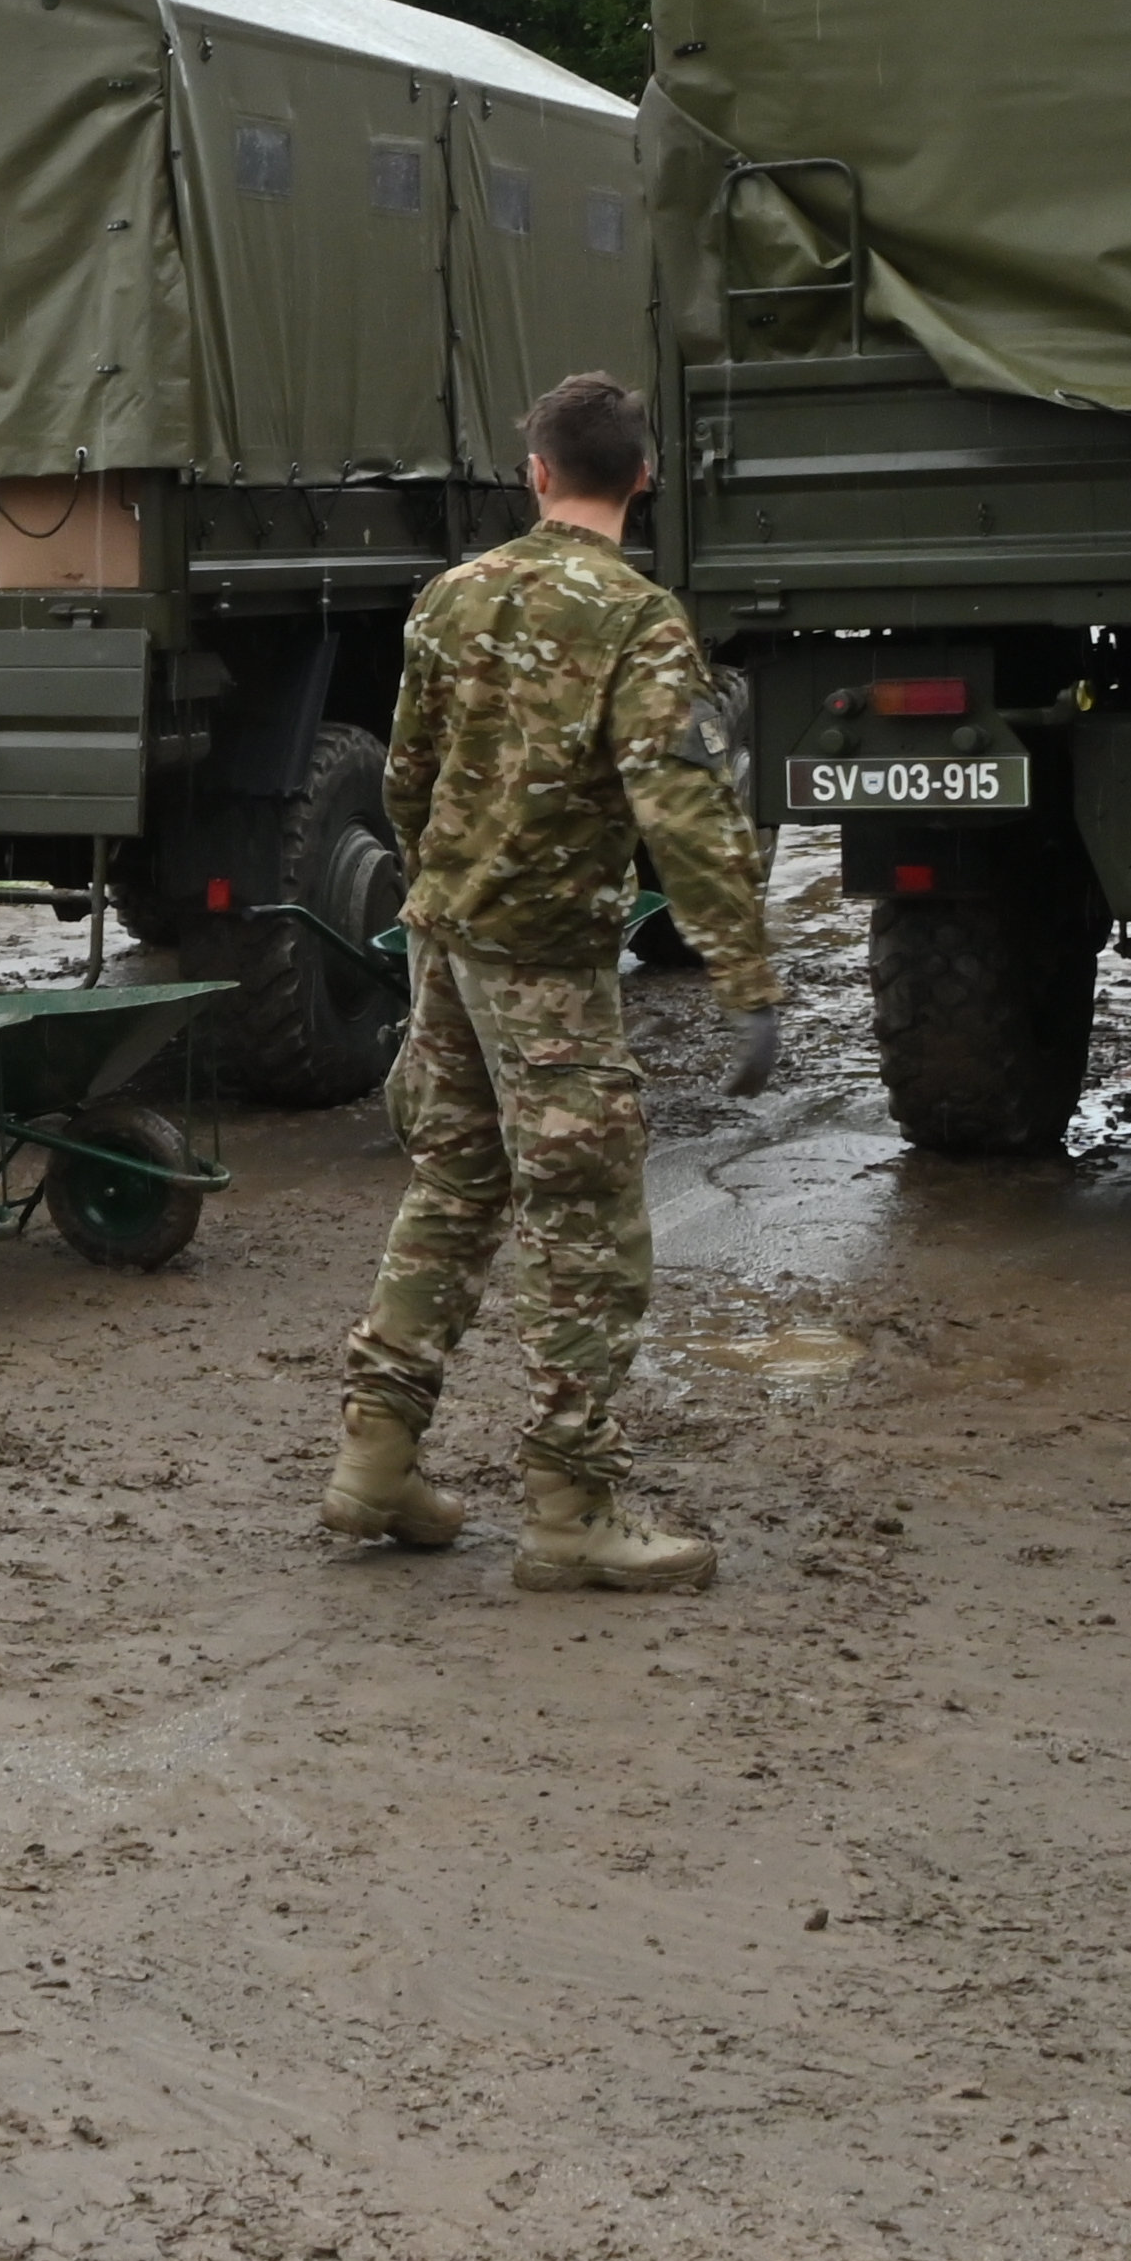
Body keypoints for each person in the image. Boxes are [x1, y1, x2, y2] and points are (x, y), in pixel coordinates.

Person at [326, 369, 787, 1595]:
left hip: (448, 945)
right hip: (548, 965)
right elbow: (683, 805)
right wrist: (743, 971)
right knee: (587, 1228)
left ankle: (376, 1460)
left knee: (455, 1187)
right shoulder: (640, 619)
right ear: (643, 477)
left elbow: (405, 778)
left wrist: (441, 894)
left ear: (535, 474)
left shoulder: (449, 598)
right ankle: (570, 1508)